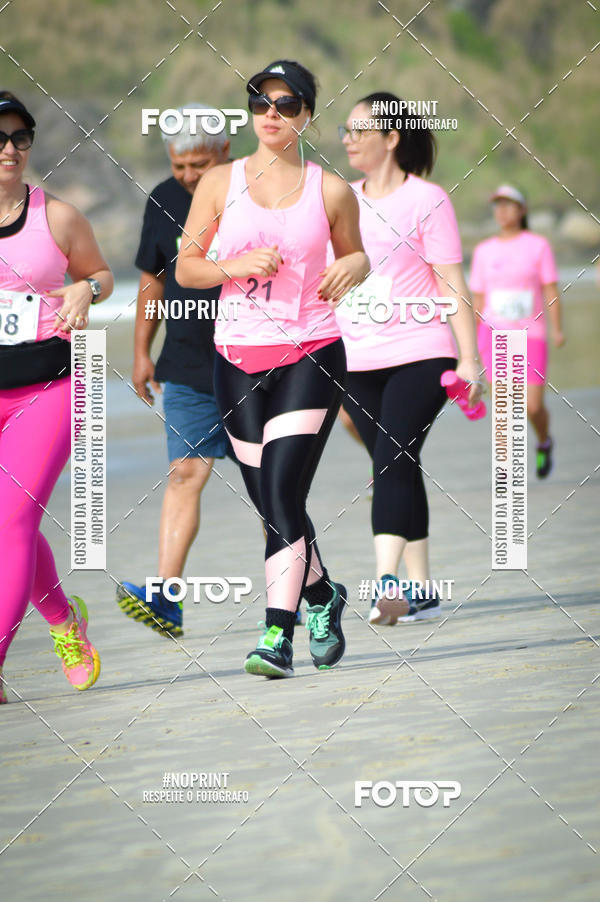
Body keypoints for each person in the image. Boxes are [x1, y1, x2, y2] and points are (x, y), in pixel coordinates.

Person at [176, 60, 369, 677]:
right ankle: (322, 594)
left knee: (284, 492)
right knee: (273, 506)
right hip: (236, 359)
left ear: (306, 113)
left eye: (285, 105)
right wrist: (235, 266)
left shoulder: (329, 189)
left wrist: (357, 267)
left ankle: (276, 636)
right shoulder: (218, 182)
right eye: (260, 103)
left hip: (312, 351)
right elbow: (186, 269)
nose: (271, 115)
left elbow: (356, 253)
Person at [335, 91, 483, 626]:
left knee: (390, 459)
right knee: (399, 462)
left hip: (422, 350)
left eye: (358, 130)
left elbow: (450, 280)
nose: (347, 139)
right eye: (344, 130)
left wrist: (469, 359)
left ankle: (387, 584)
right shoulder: (340, 199)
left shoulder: (428, 200)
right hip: (356, 356)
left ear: (391, 137)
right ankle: (423, 589)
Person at [0, 91, 113, 703]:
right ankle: (65, 621)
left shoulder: (57, 216)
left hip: (49, 387)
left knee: (11, 519)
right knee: (8, 527)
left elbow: (100, 272)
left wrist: (85, 292)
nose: (9, 149)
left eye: (20, 137)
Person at [115, 104, 237, 638]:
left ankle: (294, 593)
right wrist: (142, 351)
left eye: (199, 164)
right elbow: (152, 281)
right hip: (186, 365)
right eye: (180, 164)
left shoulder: (250, 193)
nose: (188, 175)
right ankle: (166, 597)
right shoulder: (162, 198)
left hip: (250, 363)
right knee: (185, 472)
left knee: (268, 486)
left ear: (225, 152)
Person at [471, 185, 564, 478]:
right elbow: (478, 299)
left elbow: (550, 290)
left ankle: (544, 441)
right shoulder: (484, 251)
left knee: (532, 406)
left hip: (531, 334)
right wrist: (473, 344)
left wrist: (557, 329)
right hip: (493, 334)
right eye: (497, 205)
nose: (502, 211)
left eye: (509, 205)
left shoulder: (538, 245)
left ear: (522, 210)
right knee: (504, 403)